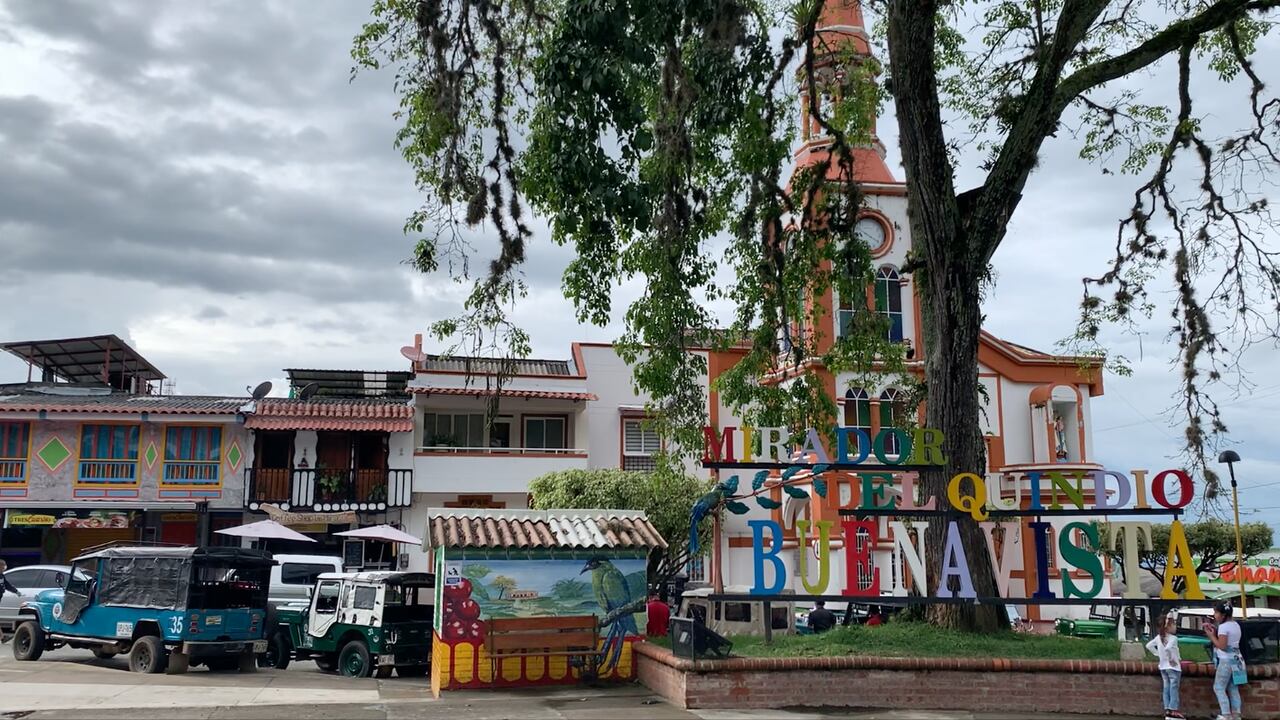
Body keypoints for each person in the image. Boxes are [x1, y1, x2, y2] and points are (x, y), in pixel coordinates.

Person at [1204, 601, 1245, 720]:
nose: (1214, 615)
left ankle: (1226, 714)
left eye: (1216, 612)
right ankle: (1236, 715)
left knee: (1219, 687)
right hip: (1237, 659)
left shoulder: (1223, 627)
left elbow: (1222, 646)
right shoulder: (1235, 625)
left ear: (1223, 615)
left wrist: (1211, 636)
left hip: (1226, 661)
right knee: (1233, 687)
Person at [1145, 613, 1183, 719]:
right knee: (1174, 687)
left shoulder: (1158, 638)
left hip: (1163, 667)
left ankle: (1167, 709)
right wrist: (1171, 659)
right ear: (1168, 627)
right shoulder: (1173, 638)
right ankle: (1174, 710)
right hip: (1173, 667)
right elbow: (1169, 648)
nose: (1175, 626)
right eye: (1173, 624)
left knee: (1166, 687)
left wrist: (1158, 654)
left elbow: (1148, 645)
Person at [0, 559, 21, 644]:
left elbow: (7, 585)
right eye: (3, 566)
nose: (4, 568)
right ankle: (2, 637)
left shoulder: (1, 576)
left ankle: (2, 637)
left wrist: (16, 591)